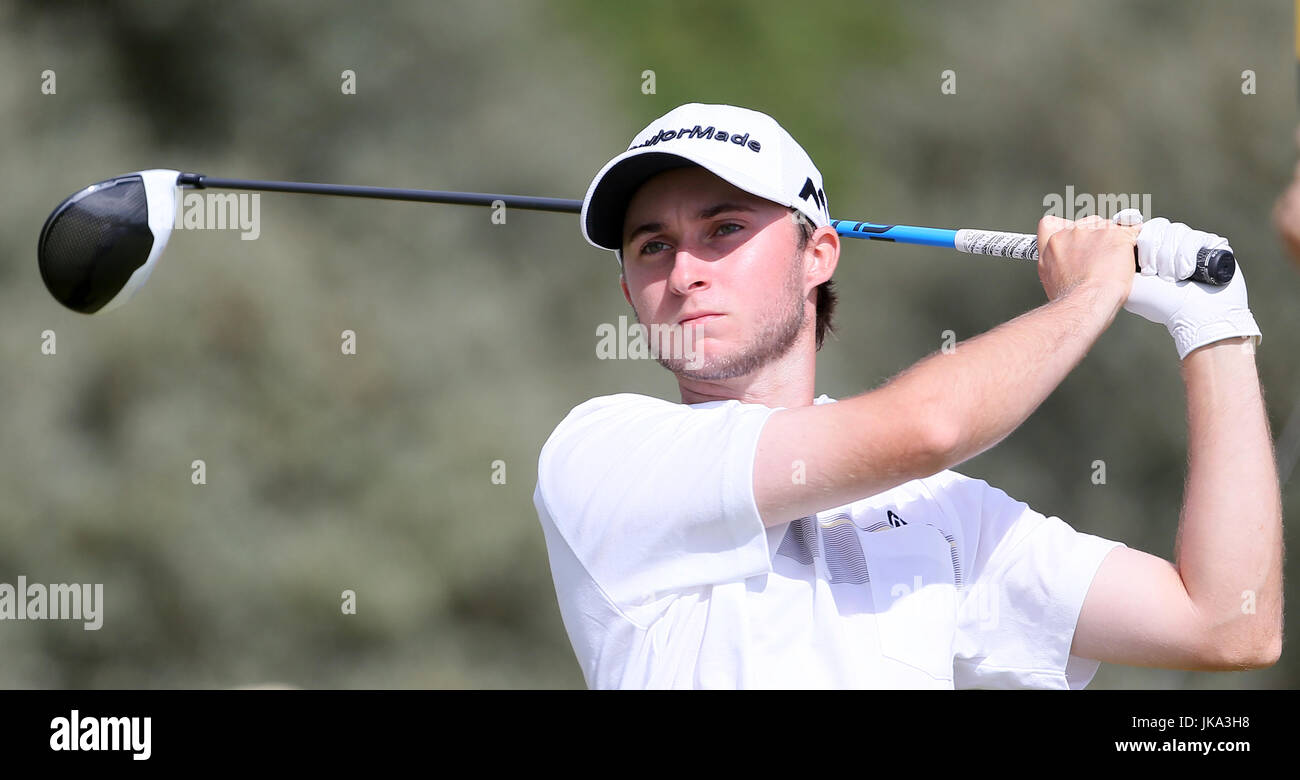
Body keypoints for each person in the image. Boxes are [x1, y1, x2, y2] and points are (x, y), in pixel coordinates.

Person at [532, 103, 1282, 689]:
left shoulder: (940, 514)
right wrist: (1090, 295)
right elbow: (925, 427)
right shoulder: (601, 452)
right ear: (628, 287)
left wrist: (1213, 327)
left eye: (724, 228)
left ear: (817, 253)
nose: (686, 269)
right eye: (653, 245)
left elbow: (1227, 626)